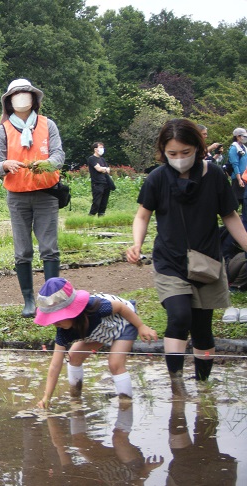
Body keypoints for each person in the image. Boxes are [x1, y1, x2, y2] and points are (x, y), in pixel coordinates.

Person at [127, 118, 247, 391]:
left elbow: (230, 216)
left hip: (207, 262)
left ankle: (204, 385)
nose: (179, 159)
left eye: (185, 153)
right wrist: (137, 244)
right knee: (179, 317)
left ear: (198, 147)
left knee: (203, 327)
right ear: (163, 151)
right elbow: (142, 215)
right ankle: (177, 384)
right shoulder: (157, 178)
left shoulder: (215, 176)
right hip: (170, 261)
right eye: (172, 154)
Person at [0, 78, 65, 318]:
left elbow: (59, 155)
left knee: (49, 249)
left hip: (46, 194)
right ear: (8, 101)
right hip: (18, 197)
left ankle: (51, 299)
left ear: (34, 99)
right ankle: (29, 300)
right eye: (16, 94)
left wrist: (47, 164)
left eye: (26, 93)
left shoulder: (48, 125)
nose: (22, 97)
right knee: (22, 252)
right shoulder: (2, 130)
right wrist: (5, 164)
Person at [34, 278, 157, 409]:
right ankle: (75, 397)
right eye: (52, 319)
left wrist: (141, 326)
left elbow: (121, 307)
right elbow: (55, 365)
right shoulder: (63, 330)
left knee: (115, 363)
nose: (55, 323)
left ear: (73, 310)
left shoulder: (96, 307)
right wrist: (47, 397)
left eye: (58, 317)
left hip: (123, 323)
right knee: (73, 356)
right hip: (99, 332)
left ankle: (125, 403)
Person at [87, 141, 112, 217]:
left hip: (105, 183)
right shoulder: (92, 158)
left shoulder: (102, 159)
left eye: (102, 147)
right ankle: (90, 217)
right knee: (96, 202)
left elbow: (108, 170)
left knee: (104, 202)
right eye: (100, 147)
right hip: (97, 183)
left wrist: (103, 168)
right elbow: (98, 169)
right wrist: (103, 169)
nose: (102, 149)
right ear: (95, 149)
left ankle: (101, 217)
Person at [229, 127, 247, 222]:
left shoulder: (244, 148)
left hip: (245, 178)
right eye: (243, 136)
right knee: (237, 201)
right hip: (238, 179)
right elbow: (235, 164)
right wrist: (239, 179)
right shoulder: (234, 148)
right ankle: (232, 222)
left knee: (245, 202)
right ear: (238, 137)